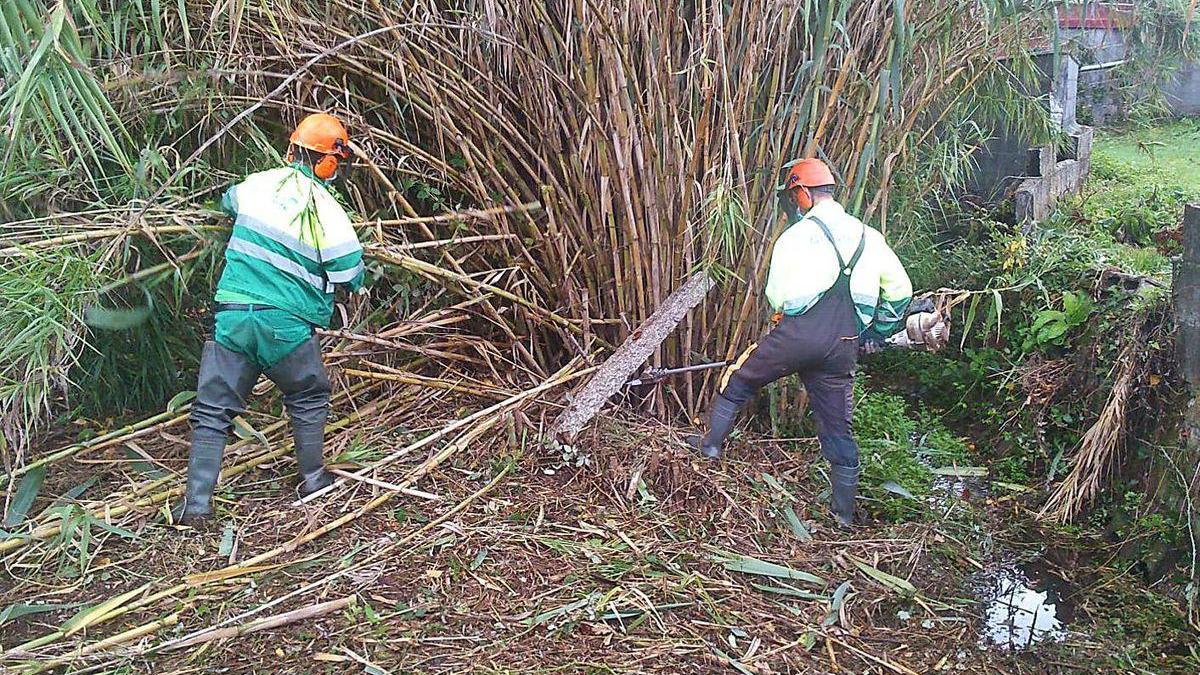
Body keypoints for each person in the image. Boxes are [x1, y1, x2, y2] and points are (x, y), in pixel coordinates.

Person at [690, 158, 912, 527]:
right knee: (838, 428)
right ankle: (843, 516)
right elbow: (901, 291)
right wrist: (878, 332)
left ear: (803, 194)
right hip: (844, 343)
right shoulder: (868, 237)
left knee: (740, 379)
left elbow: (778, 297)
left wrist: (788, 326)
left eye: (795, 196)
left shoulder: (795, 237)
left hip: (797, 336)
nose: (794, 203)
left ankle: (711, 447)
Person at [172, 113, 366, 525]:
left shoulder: (258, 184)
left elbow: (228, 201)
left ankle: (196, 505)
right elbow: (348, 271)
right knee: (308, 394)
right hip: (285, 326)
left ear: (292, 150)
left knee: (213, 410)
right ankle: (313, 479)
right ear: (331, 163)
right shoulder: (327, 209)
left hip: (235, 317)